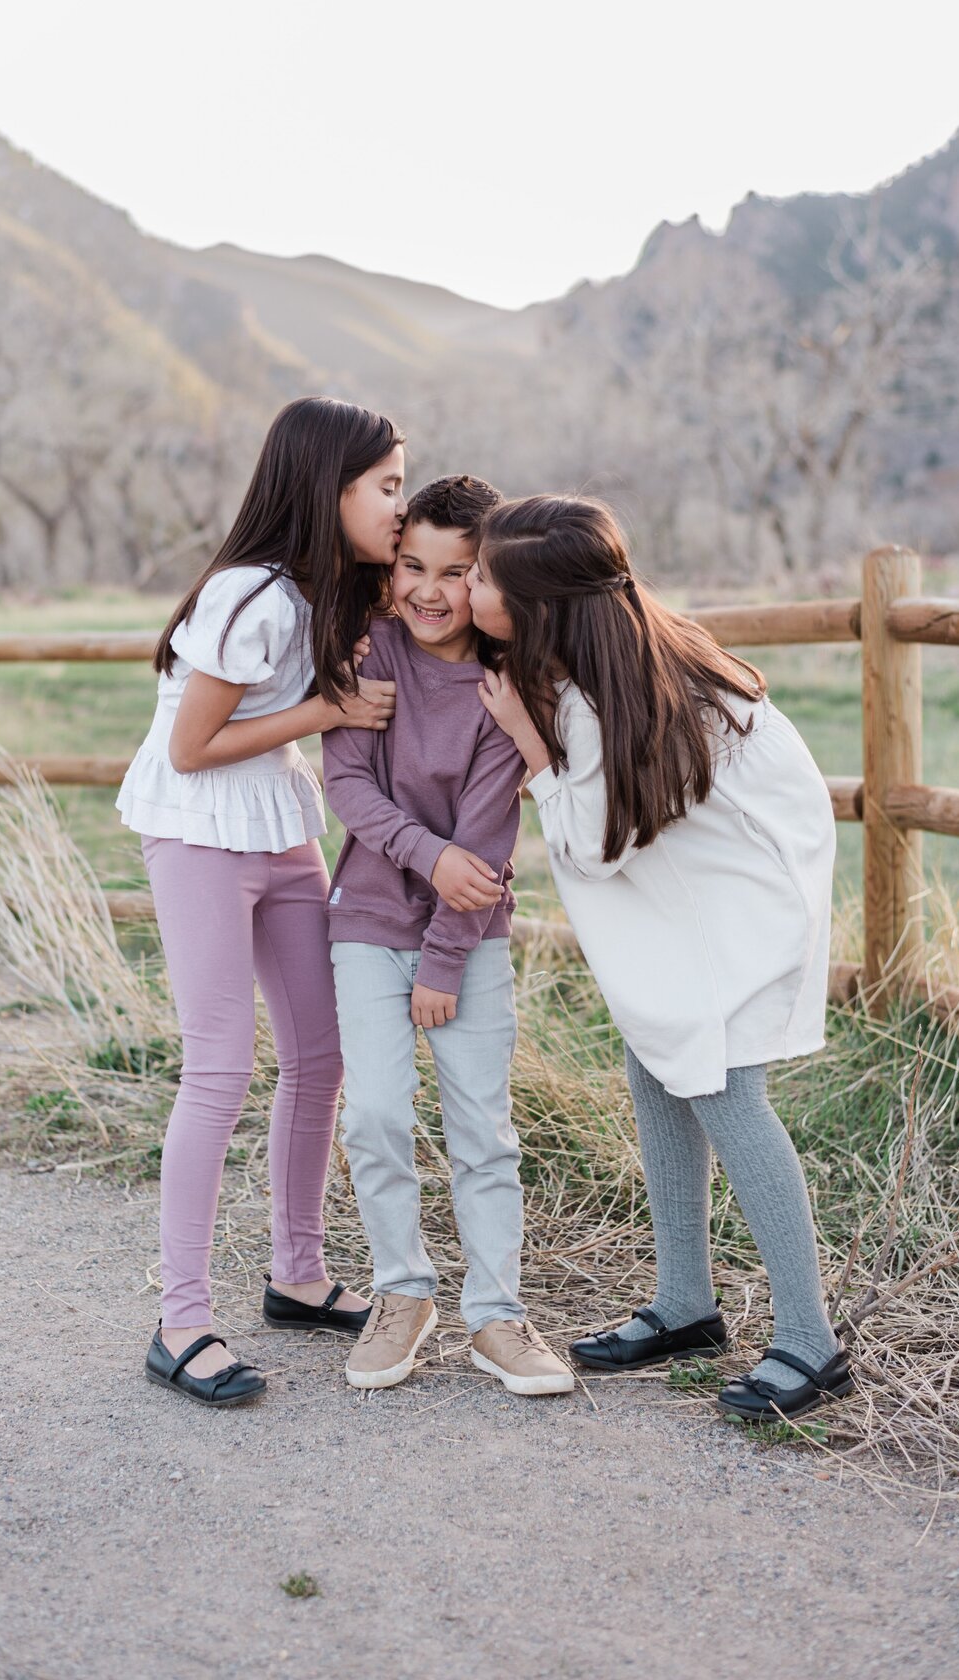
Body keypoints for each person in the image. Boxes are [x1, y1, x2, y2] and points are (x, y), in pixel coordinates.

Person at [470, 494, 852, 1422]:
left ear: (539, 607)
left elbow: (597, 847)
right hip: (705, 885)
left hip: (746, 899)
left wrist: (527, 744)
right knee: (657, 1060)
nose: (469, 586)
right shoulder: (605, 654)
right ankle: (686, 1305)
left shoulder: (616, 693)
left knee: (724, 1089)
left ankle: (812, 1340)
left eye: (481, 576)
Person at [116, 396, 405, 1408]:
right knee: (220, 1069)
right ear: (326, 487)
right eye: (386, 487)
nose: (399, 508)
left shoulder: (328, 591)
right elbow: (190, 749)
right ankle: (182, 1321)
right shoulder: (248, 595)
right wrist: (329, 707)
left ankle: (297, 1273)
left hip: (281, 826)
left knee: (321, 1053)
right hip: (198, 831)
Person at [322, 475, 574, 1396]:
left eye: (456, 572)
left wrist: (442, 955)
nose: (429, 589)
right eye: (411, 565)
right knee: (378, 1115)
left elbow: (486, 846)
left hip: (469, 942)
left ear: (489, 578)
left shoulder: (505, 689)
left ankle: (497, 1317)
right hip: (364, 921)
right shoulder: (366, 650)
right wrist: (422, 857)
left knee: (482, 1130)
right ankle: (403, 1293)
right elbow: (346, 785)